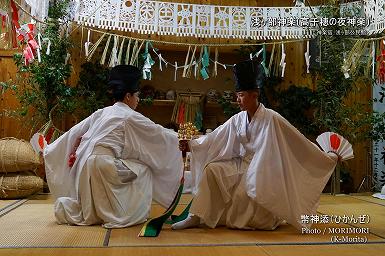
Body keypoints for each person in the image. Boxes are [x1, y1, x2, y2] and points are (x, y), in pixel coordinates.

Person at [171, 60, 339, 231]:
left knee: (248, 189)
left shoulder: (272, 118)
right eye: (237, 95)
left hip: (264, 169)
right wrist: (191, 145)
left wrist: (328, 157)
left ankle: (251, 217)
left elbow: (298, 141)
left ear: (255, 94)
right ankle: (196, 216)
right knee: (212, 170)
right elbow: (215, 137)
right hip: (242, 164)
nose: (238, 100)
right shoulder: (238, 118)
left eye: (242, 95)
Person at [44, 65, 183, 228]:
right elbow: (159, 134)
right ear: (128, 96)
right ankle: (124, 212)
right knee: (145, 170)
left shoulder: (102, 112)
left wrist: (49, 149)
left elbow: (74, 132)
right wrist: (184, 139)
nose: (138, 100)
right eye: (137, 95)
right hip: (106, 165)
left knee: (128, 165)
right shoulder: (130, 116)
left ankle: (100, 211)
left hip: (85, 165)